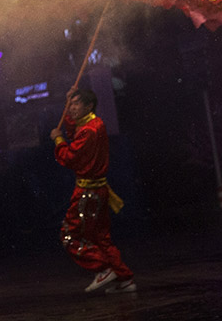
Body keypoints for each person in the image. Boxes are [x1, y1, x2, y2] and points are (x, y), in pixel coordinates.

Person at [50, 87, 135, 294]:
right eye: (71, 104)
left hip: (87, 194)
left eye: (76, 103)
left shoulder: (89, 130)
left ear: (89, 106)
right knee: (101, 237)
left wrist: (58, 140)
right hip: (97, 191)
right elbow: (73, 129)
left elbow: (70, 157)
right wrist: (67, 102)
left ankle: (103, 269)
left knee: (69, 235)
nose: (72, 108)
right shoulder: (93, 123)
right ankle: (123, 278)